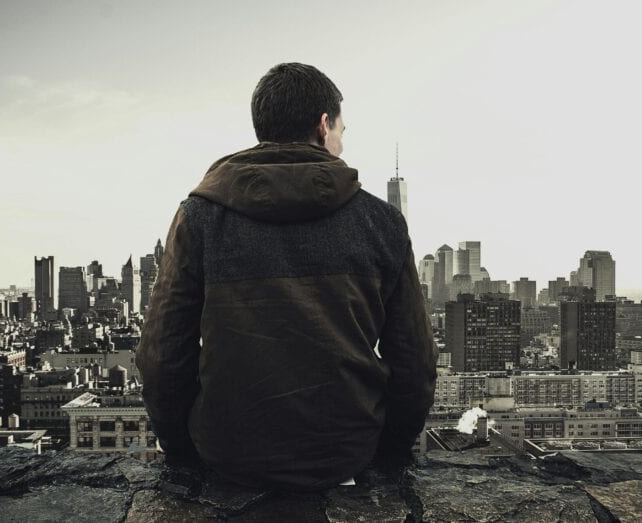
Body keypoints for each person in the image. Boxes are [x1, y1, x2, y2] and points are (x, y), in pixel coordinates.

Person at [135, 62, 437, 492]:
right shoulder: (382, 222)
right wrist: (388, 453)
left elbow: (161, 356)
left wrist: (185, 451)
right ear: (323, 125)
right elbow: (415, 364)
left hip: (227, 453)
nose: (340, 142)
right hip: (346, 455)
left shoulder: (199, 216)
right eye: (342, 131)